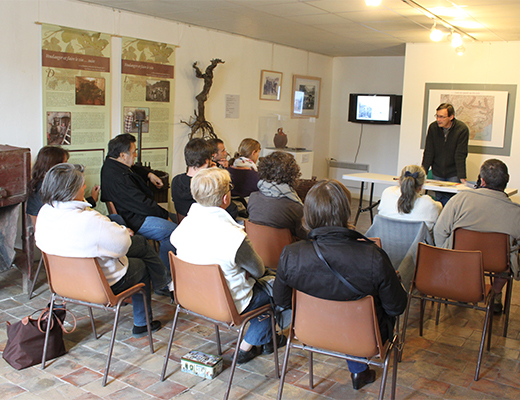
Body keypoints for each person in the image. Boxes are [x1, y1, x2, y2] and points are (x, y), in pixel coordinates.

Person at [273, 179, 407, 390]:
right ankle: (358, 369)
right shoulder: (372, 256)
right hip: (364, 338)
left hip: (309, 332)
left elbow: (281, 300)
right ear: (346, 213)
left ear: (308, 214)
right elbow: (396, 307)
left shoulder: (292, 253)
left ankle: (358, 369)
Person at [35, 163, 171, 338]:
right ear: (72, 190)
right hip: (98, 284)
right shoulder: (89, 219)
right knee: (141, 263)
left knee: (139, 243)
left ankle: (163, 283)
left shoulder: (45, 213)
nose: (84, 187)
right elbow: (122, 246)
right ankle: (143, 322)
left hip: (64, 282)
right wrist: (120, 229)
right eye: (81, 184)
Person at [170, 167, 284, 363]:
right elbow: (258, 270)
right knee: (276, 291)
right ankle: (247, 346)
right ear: (225, 198)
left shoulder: (183, 227)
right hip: (226, 304)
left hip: (192, 299)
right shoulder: (235, 236)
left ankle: (264, 339)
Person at [434, 159, 520, 313]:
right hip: (497, 262)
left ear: (482, 180)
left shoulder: (460, 200)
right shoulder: (516, 212)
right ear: (506, 181)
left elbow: (440, 230)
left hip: (460, 257)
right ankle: (496, 294)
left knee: (460, 248)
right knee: (509, 253)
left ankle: (464, 288)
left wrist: (445, 254)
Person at [100, 133, 177, 270]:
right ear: (123, 155)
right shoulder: (119, 178)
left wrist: (149, 174)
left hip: (135, 213)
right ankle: (165, 277)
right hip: (135, 219)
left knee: (177, 219)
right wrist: (164, 215)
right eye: (133, 152)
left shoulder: (112, 164)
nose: (135, 155)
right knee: (174, 232)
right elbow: (142, 204)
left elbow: (134, 168)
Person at [171, 138, 237, 219]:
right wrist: (216, 174)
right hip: (210, 228)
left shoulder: (176, 181)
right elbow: (230, 210)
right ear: (206, 161)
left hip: (185, 226)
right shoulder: (208, 184)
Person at [247, 151, 306, 240]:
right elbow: (305, 235)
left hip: (256, 251)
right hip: (285, 252)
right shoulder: (295, 207)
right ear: (292, 174)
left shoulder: (253, 198)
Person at [27, 146, 100, 217]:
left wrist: (92, 199)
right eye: (65, 163)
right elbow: (69, 209)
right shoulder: (48, 189)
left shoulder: (40, 184)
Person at [421, 103, 469, 205]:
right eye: (437, 116)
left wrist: (462, 177)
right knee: (439, 199)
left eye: (442, 117)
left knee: (451, 201)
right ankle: (439, 220)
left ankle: (448, 220)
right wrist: (423, 171)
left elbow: (460, 154)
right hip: (437, 171)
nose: (438, 119)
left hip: (453, 172)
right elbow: (429, 151)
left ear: (451, 117)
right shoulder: (433, 128)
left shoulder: (461, 129)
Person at [378, 165, 442, 231]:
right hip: (417, 241)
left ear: (400, 181)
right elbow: (440, 208)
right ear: (421, 186)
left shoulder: (387, 193)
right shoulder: (429, 203)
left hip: (385, 240)